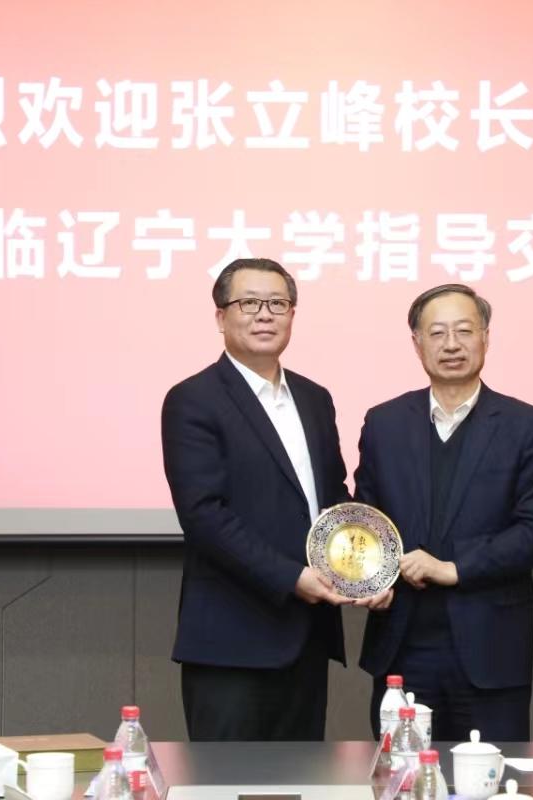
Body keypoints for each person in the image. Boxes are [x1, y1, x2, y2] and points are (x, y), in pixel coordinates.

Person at [356, 283, 533, 742]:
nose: (451, 344)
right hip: (402, 648)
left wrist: (453, 568)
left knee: (489, 775)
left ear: (486, 338)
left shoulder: (527, 427)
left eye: (465, 331)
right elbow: (366, 520)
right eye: (437, 333)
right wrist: (371, 576)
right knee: (403, 774)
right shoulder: (384, 424)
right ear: (417, 343)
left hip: (491, 649)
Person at [161, 257, 352, 741]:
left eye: (277, 303)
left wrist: (365, 568)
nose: (264, 314)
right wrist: (293, 578)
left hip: (307, 637)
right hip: (232, 641)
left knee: (303, 777)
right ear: (221, 316)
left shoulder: (315, 398)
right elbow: (204, 516)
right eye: (249, 303)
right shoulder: (193, 399)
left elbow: (332, 501)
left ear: (292, 314)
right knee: (226, 778)